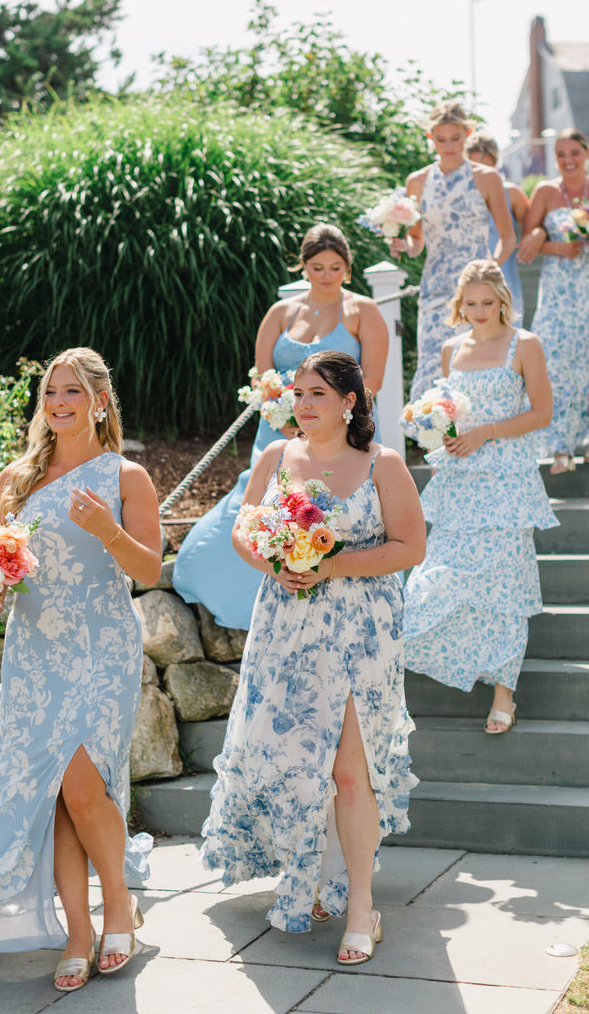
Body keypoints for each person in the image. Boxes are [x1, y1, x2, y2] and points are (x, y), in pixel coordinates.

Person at [0, 348, 162, 992]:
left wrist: (107, 530)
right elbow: (2, 570)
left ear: (99, 401)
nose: (58, 403)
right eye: (51, 393)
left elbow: (147, 572)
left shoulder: (125, 477)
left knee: (84, 786)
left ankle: (116, 909)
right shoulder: (17, 479)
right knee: (59, 795)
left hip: (101, 646)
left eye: (72, 392)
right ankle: (79, 931)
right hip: (34, 651)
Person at [200, 350, 426, 966]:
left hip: (361, 634)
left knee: (350, 771)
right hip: (286, 628)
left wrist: (327, 564)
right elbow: (245, 528)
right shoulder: (276, 458)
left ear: (349, 402)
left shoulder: (383, 465)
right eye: (298, 393)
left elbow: (411, 546)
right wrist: (276, 560)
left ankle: (360, 908)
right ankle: (308, 877)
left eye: (317, 393)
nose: (302, 404)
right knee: (295, 763)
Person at [172, 223, 389, 629]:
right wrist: (285, 418)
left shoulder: (364, 312)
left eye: (336, 267)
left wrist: (323, 424)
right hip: (277, 433)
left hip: (340, 432)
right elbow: (262, 378)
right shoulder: (280, 312)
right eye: (318, 266)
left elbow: (371, 381)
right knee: (255, 513)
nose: (327, 275)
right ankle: (249, 598)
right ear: (303, 267)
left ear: (348, 267)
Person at [403, 260, 557, 734]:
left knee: (506, 586)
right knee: (438, 576)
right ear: (459, 304)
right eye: (470, 304)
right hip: (459, 481)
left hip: (508, 480)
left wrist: (487, 432)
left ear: (502, 301)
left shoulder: (524, 343)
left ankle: (504, 694)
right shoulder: (451, 349)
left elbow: (543, 413)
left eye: (487, 302)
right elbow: (447, 412)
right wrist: (443, 433)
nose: (478, 311)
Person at [390, 102, 516, 401]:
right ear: (430, 138)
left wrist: (490, 271)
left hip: (480, 292)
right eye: (441, 139)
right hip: (436, 288)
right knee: (432, 371)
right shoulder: (417, 182)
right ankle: (437, 443)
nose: (448, 146)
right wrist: (403, 245)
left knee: (480, 369)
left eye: (455, 138)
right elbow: (417, 240)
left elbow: (508, 238)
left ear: (467, 134)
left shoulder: (487, 178)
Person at [517, 128, 589, 474]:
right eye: (561, 154)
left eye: (574, 153)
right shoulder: (546, 191)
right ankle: (560, 447)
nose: (567, 160)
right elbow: (529, 243)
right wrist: (558, 247)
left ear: (587, 153)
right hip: (561, 291)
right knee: (557, 364)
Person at [465, 131, 529, 325]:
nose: (482, 172)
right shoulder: (460, 196)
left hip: (502, 276)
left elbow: (534, 226)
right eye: (474, 165)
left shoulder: (511, 192)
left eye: (487, 166)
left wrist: (536, 234)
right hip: (466, 275)